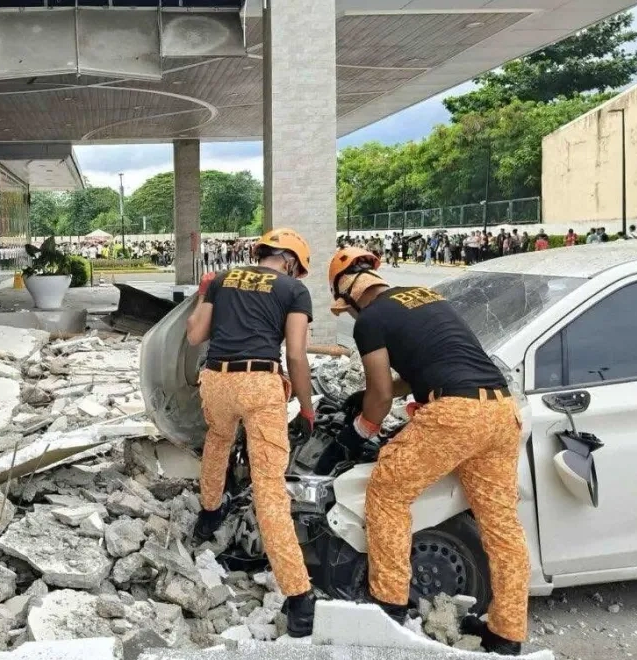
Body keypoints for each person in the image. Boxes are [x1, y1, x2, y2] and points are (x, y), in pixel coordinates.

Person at [327, 247, 530, 656]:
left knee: (387, 492)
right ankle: (507, 633)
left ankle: (388, 606)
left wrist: (358, 430)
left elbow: (382, 397)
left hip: (455, 415)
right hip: (500, 411)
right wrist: (363, 394)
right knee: (501, 527)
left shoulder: (370, 319)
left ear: (347, 295)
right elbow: (425, 364)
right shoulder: (424, 295)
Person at [186, 228, 319, 637]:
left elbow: (194, 335)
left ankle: (208, 517)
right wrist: (307, 405)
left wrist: (204, 295)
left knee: (218, 442)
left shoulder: (223, 279)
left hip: (217, 380)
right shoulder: (293, 292)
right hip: (260, 383)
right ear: (292, 262)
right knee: (269, 486)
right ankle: (299, 596)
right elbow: (295, 354)